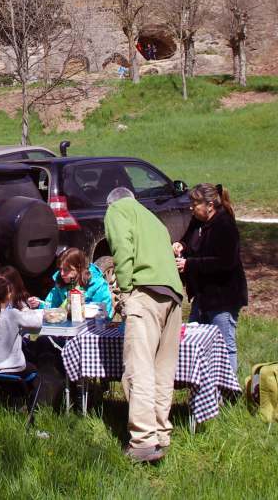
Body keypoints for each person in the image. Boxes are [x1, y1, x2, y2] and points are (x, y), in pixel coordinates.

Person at [104, 185, 186, 464]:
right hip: (173, 297)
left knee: (139, 369)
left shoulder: (117, 210)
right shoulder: (152, 218)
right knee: (163, 369)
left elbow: (122, 249)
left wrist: (125, 292)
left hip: (146, 293)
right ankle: (162, 433)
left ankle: (142, 442)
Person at [175, 183, 248, 376]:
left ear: (209, 205)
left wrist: (190, 265)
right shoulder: (198, 221)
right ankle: (205, 389)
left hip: (223, 296)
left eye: (195, 203)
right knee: (196, 342)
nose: (191, 207)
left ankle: (228, 393)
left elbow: (226, 262)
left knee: (224, 346)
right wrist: (180, 245)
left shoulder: (225, 224)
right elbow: (188, 241)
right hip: (202, 295)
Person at [29, 247, 114, 317]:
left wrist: (82, 310)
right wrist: (39, 304)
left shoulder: (97, 284)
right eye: (60, 269)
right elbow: (52, 306)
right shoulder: (60, 282)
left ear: (79, 268)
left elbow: (104, 312)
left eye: (66, 270)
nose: (62, 274)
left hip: (90, 328)